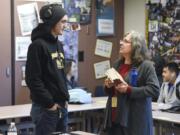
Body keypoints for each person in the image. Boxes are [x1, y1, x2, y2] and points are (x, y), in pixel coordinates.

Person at [103, 31, 160, 135]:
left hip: (134, 119)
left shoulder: (146, 66)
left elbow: (154, 89)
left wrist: (128, 89)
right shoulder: (118, 64)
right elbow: (112, 91)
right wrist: (109, 86)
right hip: (115, 116)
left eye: (125, 41)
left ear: (135, 46)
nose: (121, 43)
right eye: (122, 40)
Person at [25, 4, 69, 135]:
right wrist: (50, 104)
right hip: (46, 109)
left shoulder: (59, 45)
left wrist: (65, 99)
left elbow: (60, 76)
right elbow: (33, 80)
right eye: (63, 22)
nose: (65, 25)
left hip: (61, 107)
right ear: (53, 22)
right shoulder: (37, 46)